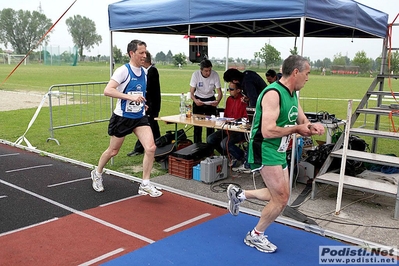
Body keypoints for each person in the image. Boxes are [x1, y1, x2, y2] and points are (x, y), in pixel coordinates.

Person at [227, 55, 325, 253]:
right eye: (307, 74)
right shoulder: (273, 94)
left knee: (281, 194)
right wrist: (297, 129)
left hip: (279, 148)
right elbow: (268, 131)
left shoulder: (293, 94)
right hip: (265, 148)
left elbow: (301, 117)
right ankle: (255, 235)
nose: (308, 78)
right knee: (281, 198)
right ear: (296, 72)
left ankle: (239, 194)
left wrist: (310, 125)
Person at [90, 39, 162, 197]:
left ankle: (145, 184)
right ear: (132, 53)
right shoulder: (123, 71)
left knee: (150, 147)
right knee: (113, 151)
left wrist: (142, 104)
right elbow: (108, 90)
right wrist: (130, 98)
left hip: (139, 117)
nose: (144, 55)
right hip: (123, 117)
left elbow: (139, 93)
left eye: (145, 52)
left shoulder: (145, 72)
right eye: (141, 52)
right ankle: (97, 173)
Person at [127, 51, 161, 157]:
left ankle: (156, 146)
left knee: (150, 125)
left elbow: (150, 89)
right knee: (149, 125)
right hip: (148, 104)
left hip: (151, 105)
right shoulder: (147, 71)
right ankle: (155, 145)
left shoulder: (152, 71)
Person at [206, 82, 248, 167]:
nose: (229, 91)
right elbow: (226, 115)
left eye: (231, 89)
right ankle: (230, 155)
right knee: (210, 139)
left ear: (238, 90)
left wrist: (236, 121)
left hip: (239, 130)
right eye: (228, 89)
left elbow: (246, 118)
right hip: (227, 128)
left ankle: (242, 156)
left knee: (225, 143)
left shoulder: (244, 100)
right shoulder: (229, 99)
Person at [190, 59, 223, 143]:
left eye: (209, 70)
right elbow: (191, 92)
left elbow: (219, 92)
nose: (208, 73)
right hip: (198, 99)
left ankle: (209, 148)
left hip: (210, 100)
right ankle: (197, 146)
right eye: (206, 71)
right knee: (197, 127)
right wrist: (195, 101)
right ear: (201, 70)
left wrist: (217, 101)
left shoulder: (215, 75)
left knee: (211, 126)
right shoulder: (195, 75)